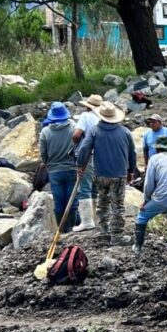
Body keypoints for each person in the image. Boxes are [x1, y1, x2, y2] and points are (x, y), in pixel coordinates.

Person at [76, 101, 136, 246]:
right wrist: (131, 171)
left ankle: (104, 230)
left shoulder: (95, 131)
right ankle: (116, 236)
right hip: (119, 174)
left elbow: (84, 149)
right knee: (117, 205)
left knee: (102, 202)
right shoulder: (125, 132)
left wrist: (80, 165)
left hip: (100, 173)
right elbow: (131, 154)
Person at [38, 102, 77, 232]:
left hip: (54, 171)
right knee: (72, 201)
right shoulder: (73, 127)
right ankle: (72, 228)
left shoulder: (45, 132)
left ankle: (61, 229)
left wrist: (48, 165)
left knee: (59, 202)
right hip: (72, 168)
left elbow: (43, 153)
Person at [70, 94, 103, 232]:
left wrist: (76, 143)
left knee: (84, 187)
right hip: (101, 157)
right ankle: (95, 219)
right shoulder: (103, 118)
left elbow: (77, 134)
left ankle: (87, 221)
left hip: (87, 155)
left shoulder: (86, 116)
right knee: (95, 188)